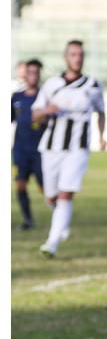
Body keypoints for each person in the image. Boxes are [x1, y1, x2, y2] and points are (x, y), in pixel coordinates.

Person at [32, 40, 106, 257]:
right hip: (51, 147)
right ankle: (61, 222)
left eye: (80, 54)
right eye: (73, 54)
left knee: (66, 194)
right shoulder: (52, 84)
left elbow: (101, 111)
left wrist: (102, 137)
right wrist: (47, 110)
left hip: (78, 148)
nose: (77, 58)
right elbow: (35, 115)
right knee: (51, 197)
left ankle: (51, 243)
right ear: (66, 57)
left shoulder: (93, 84)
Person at [11, 59, 46, 230]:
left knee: (45, 187)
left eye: (36, 72)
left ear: (39, 74)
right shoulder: (16, 97)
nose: (33, 75)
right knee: (20, 184)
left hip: (40, 151)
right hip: (20, 150)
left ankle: (59, 217)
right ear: (25, 74)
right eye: (30, 72)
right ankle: (28, 220)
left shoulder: (44, 98)